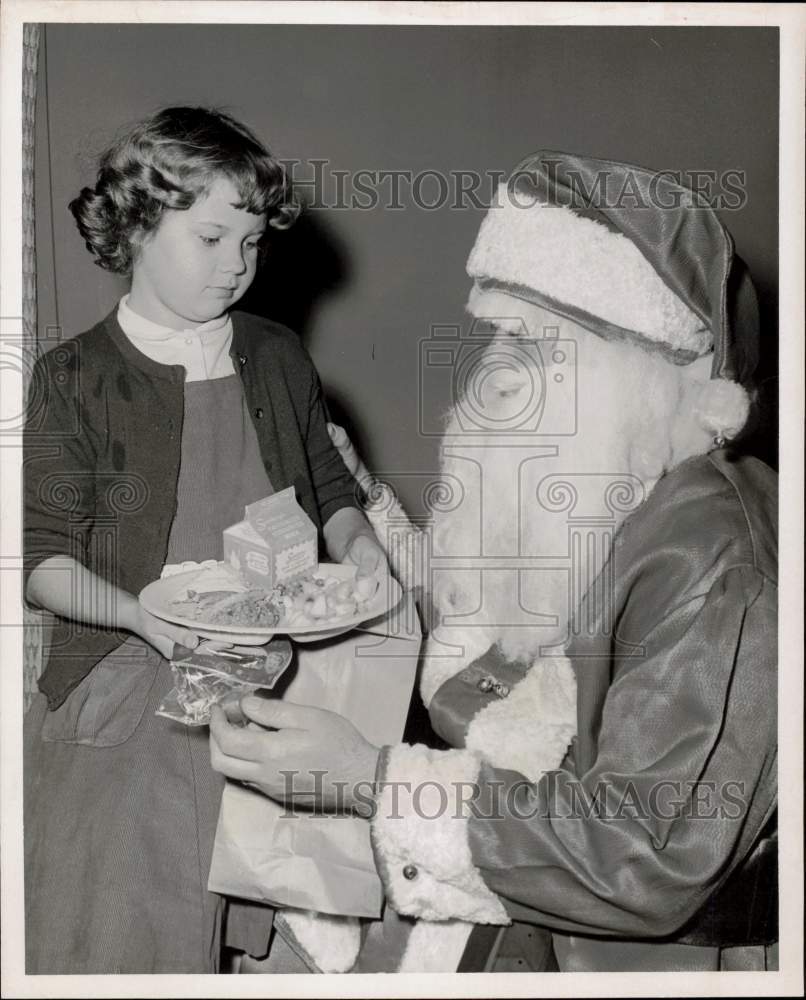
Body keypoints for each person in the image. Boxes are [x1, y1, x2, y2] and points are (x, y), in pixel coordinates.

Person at [210, 152, 778, 973]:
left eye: (534, 343)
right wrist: (367, 501)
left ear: (643, 371)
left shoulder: (716, 558)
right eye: (498, 334)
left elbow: (642, 852)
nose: (499, 372)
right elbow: (481, 614)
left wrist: (370, 779)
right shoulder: (618, 481)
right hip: (519, 890)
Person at [23, 105, 386, 974]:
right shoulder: (75, 376)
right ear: (136, 227)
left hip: (267, 674)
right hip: (128, 682)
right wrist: (146, 620)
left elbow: (329, 489)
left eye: (251, 243)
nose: (236, 266)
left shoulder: (277, 354)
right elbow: (43, 563)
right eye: (212, 239)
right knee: (123, 929)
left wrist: (361, 549)